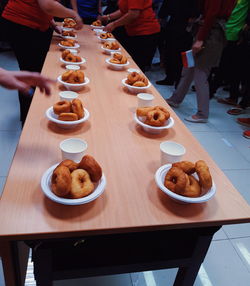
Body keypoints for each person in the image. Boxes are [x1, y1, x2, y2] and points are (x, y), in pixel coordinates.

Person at [0, 0, 83, 126]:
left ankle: (33, 114)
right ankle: (30, 122)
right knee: (32, 73)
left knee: (34, 71)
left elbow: (42, 6)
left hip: (25, 23)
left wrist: (52, 24)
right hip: (23, 24)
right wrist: (73, 14)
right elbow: (48, 6)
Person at [166, 0, 237, 123]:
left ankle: (202, 114)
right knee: (189, 69)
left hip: (211, 34)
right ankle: (176, 99)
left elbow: (212, 14)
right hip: (208, 31)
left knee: (201, 74)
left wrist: (200, 39)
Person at [100, 0, 160, 72]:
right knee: (129, 63)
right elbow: (124, 10)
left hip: (145, 33)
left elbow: (133, 14)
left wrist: (114, 24)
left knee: (136, 67)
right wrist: (108, 17)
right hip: (135, 32)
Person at [156, 0, 198, 86]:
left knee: (180, 55)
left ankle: (178, 80)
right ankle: (172, 78)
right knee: (171, 53)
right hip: (176, 25)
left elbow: (194, 14)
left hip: (181, 26)